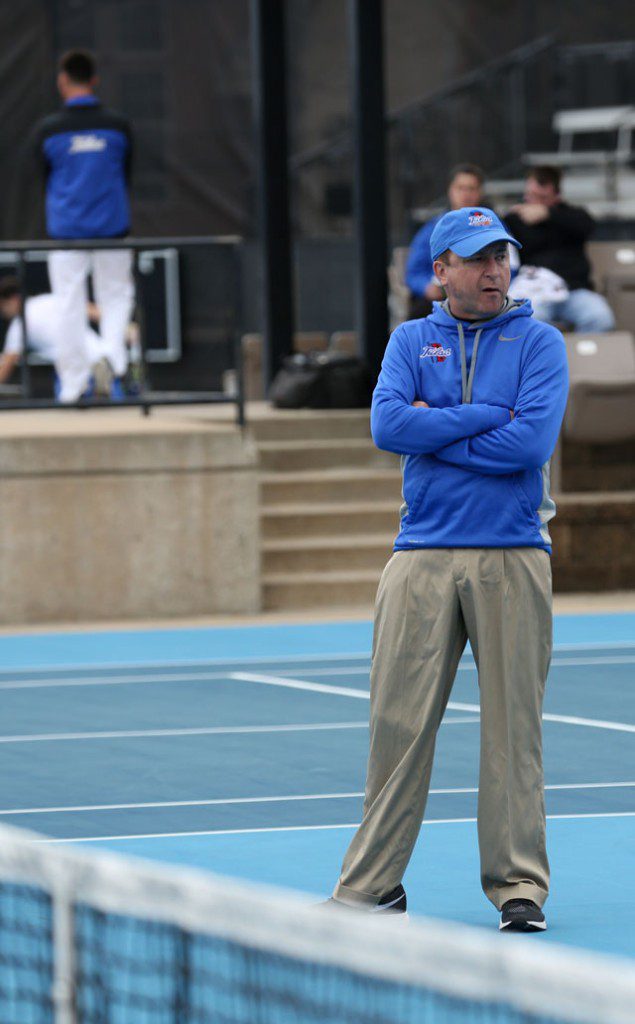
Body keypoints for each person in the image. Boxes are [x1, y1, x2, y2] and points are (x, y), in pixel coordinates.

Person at [328, 206, 569, 932]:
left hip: (513, 554)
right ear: (441, 271)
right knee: (394, 729)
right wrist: (479, 416)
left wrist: (436, 430)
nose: (494, 270)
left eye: (501, 256)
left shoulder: (541, 343)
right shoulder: (409, 339)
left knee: (512, 731)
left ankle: (518, 887)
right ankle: (373, 887)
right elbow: (386, 426)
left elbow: (527, 446)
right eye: (477, 258)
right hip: (419, 558)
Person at [30, 49, 135, 402]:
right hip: (113, 230)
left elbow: (42, 177)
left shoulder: (49, 130)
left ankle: (74, 386)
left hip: (66, 234)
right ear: (94, 81)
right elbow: (126, 172)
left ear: (62, 82)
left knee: (69, 305)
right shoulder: (117, 126)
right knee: (116, 298)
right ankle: (113, 367)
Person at [504, 166, 614, 332]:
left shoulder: (571, 215)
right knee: (531, 322)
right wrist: (511, 216)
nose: (533, 201)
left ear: (556, 195)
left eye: (541, 197)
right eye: (530, 195)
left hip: (574, 291)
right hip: (536, 292)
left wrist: (548, 213)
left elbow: (588, 225)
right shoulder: (517, 219)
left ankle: (581, 356)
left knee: (600, 318)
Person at [0, 278, 115, 392]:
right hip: (103, 356)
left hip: (74, 372)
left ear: (14, 299)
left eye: (2, 306)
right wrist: (125, 329)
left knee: (68, 404)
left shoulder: (19, 325)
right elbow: (93, 311)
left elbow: (6, 366)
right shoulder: (50, 299)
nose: (2, 312)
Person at [405, 164, 484, 319]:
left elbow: (509, 265)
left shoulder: (492, 226)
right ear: (450, 191)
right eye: (461, 188)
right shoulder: (432, 229)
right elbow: (413, 273)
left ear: (480, 193)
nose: (466, 194)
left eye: (471, 188)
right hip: (441, 297)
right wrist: (426, 288)